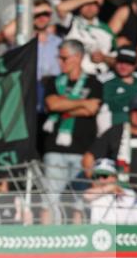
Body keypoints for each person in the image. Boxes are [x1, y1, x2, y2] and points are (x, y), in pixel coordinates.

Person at [40, 40, 103, 224]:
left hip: (82, 149)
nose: (60, 61)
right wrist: (82, 102)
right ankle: (45, 240)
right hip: (55, 149)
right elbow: (52, 104)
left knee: (79, 202)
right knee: (49, 199)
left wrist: (63, 105)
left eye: (64, 58)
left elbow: (92, 110)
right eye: (59, 57)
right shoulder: (53, 81)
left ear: (78, 58)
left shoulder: (94, 82)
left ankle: (78, 242)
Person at [96, 46, 137, 133]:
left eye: (128, 63)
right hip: (112, 128)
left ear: (136, 65)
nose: (123, 66)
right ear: (115, 62)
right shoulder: (103, 80)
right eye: (121, 62)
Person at [59, 0, 116, 76]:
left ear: (99, 7)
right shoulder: (72, 22)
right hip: (73, 77)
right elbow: (61, 8)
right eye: (86, 3)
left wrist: (104, 58)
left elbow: (117, 61)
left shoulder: (107, 30)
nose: (89, 7)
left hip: (99, 78)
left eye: (94, 3)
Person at [83, 157, 137, 224]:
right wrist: (111, 188)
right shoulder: (93, 194)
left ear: (114, 177)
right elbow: (86, 195)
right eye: (97, 176)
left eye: (104, 176)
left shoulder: (129, 193)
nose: (100, 180)